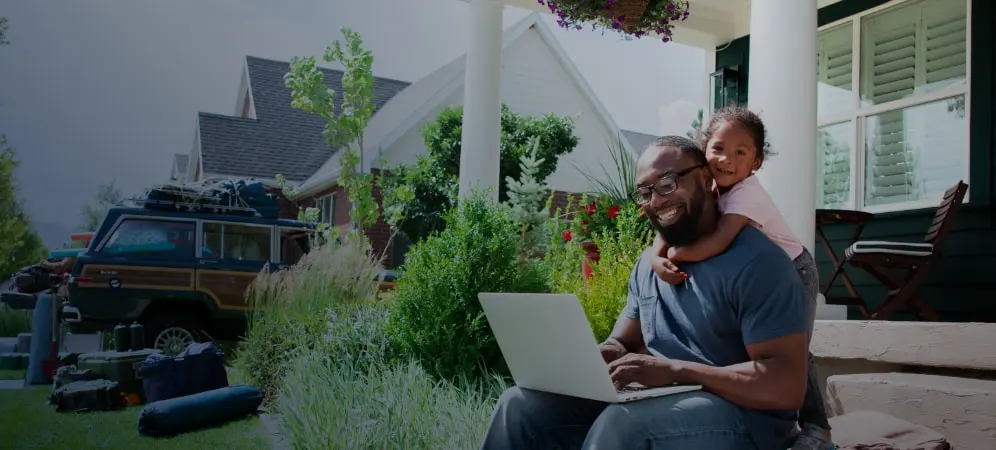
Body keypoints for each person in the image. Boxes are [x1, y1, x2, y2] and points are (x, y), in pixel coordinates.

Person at [479, 135, 810, 450]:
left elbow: (785, 386)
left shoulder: (758, 262)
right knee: (519, 406)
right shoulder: (648, 266)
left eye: (668, 184)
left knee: (622, 426)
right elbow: (625, 341)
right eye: (645, 192)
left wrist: (675, 372)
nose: (656, 200)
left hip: (746, 420)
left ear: (707, 179)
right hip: (661, 401)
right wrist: (605, 355)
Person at [650, 107, 834, 450]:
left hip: (796, 270)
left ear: (757, 162)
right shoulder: (711, 189)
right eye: (718, 148)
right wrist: (654, 256)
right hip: (763, 276)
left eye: (740, 152)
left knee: (795, 351)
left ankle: (818, 429)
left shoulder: (748, 193)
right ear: (704, 150)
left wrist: (673, 255)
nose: (726, 160)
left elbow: (718, 240)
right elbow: (672, 224)